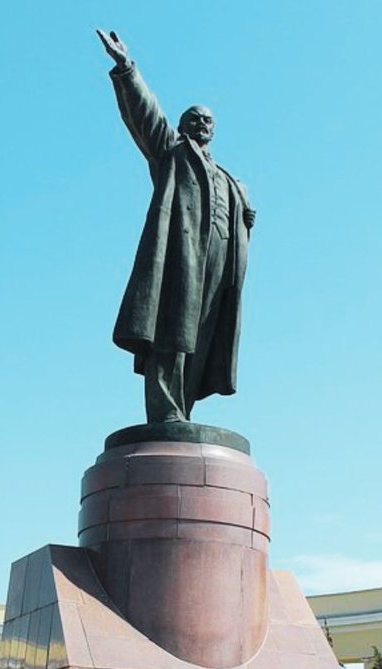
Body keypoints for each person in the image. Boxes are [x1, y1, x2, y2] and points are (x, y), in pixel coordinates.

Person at [97, 29, 257, 425]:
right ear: (184, 125)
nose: (202, 124)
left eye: (208, 120)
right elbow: (146, 117)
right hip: (181, 257)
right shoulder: (173, 153)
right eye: (195, 118)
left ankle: (182, 410)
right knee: (173, 332)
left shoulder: (228, 177)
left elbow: (241, 219)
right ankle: (165, 409)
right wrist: (127, 68)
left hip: (219, 262)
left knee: (202, 337)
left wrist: (244, 217)